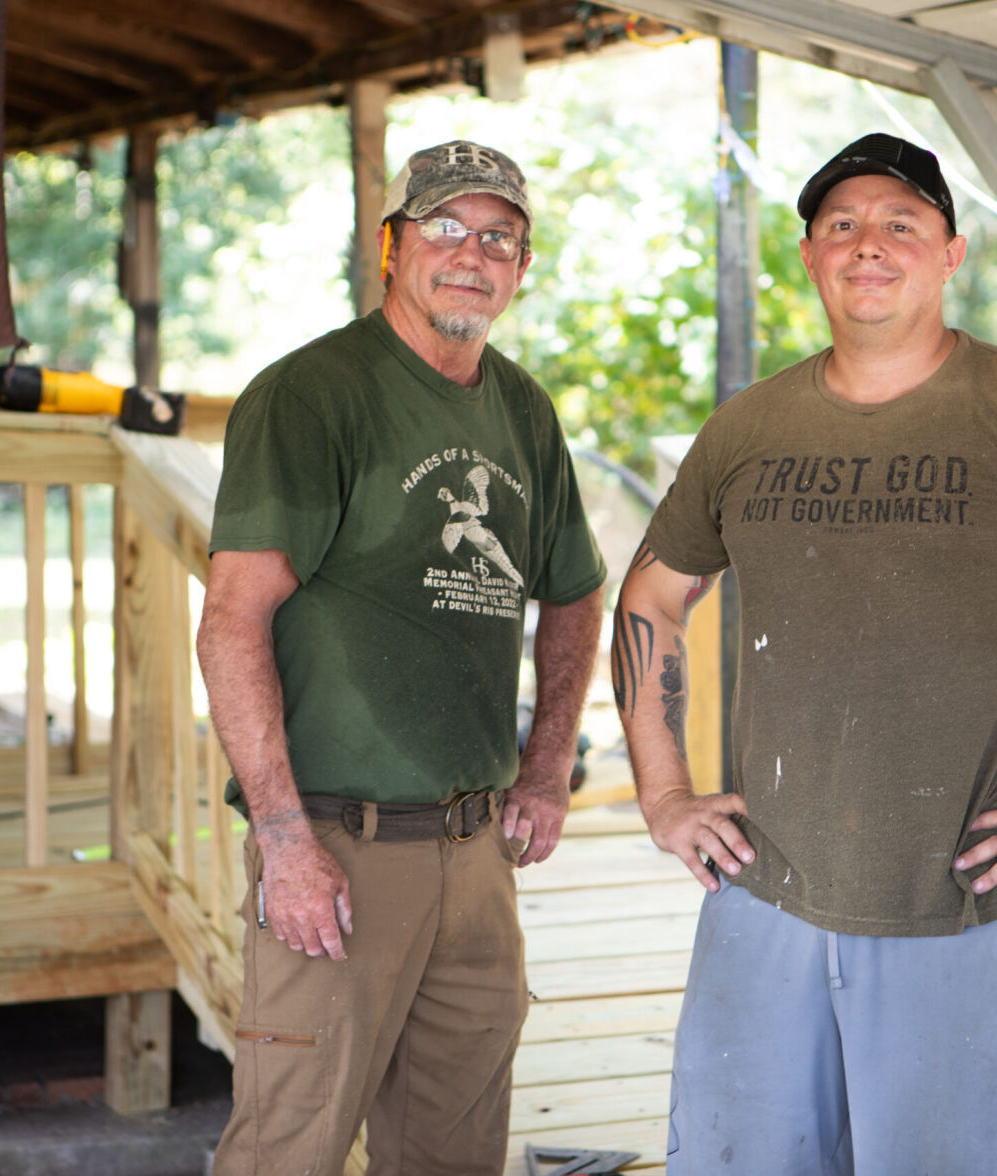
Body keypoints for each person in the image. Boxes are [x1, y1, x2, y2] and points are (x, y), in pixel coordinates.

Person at [613, 133, 997, 1173]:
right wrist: (661, 794)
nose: (869, 246)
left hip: (952, 909)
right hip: (756, 904)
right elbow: (650, 594)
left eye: (900, 224)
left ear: (949, 254)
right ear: (810, 256)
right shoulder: (747, 427)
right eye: (842, 227)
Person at [199, 139, 606, 1175]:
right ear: (389, 247)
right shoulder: (312, 394)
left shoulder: (521, 409)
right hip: (338, 851)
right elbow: (233, 620)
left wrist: (549, 766)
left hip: (476, 855)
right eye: (443, 229)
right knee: (287, 1148)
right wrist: (284, 839)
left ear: (521, 268)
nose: (471, 254)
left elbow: (572, 590)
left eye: (498, 239)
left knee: (454, 1154)